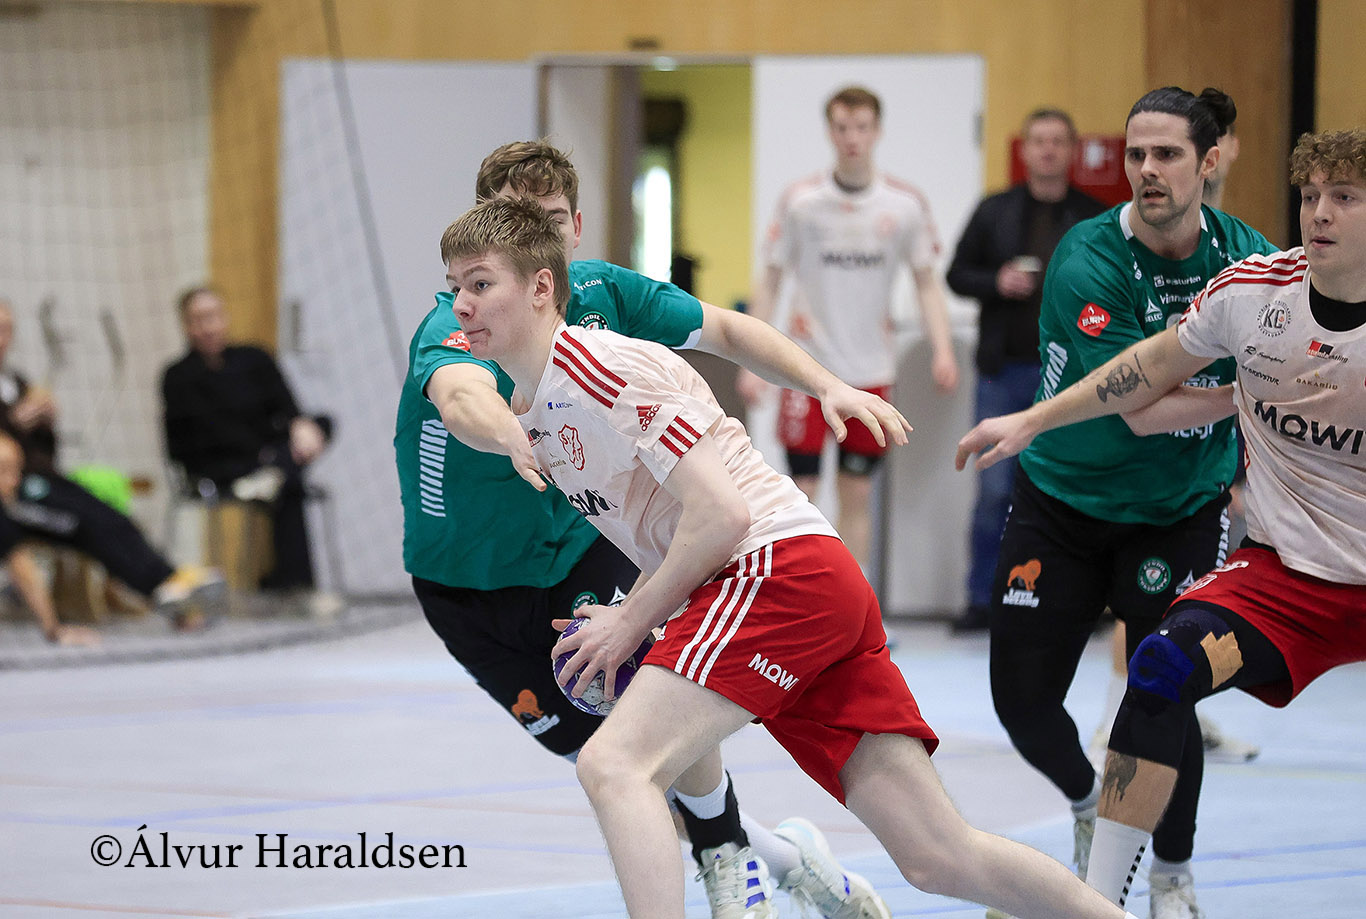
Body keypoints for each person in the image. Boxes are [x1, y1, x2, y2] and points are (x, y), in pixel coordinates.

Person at [443, 194, 1137, 919]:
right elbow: (671, 523)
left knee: (615, 765)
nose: (462, 303)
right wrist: (629, 609)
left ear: (541, 286)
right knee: (939, 856)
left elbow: (723, 514)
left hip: (775, 571)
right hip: (803, 581)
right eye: (455, 286)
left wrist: (630, 622)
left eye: (481, 283)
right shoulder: (534, 407)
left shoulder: (594, 369)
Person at [396, 141, 908, 918]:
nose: (537, 236)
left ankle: (729, 862)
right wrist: (513, 434)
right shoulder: (462, 318)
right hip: (463, 577)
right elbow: (462, 395)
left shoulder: (603, 295)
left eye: (552, 220)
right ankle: (786, 856)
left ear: (572, 231)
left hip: (579, 551)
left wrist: (825, 383)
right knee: (612, 764)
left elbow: (729, 331)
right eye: (515, 220)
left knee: (633, 745)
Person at [957, 127, 1366, 919]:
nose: (1320, 213)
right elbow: (1139, 375)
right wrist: (1034, 419)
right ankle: (1101, 903)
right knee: (1162, 667)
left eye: (1344, 198)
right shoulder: (1253, 294)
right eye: (1311, 195)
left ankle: (1168, 874)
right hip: (1281, 580)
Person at [1089, 90, 1260, 766]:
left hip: (1204, 461)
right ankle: (1115, 719)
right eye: (1142, 154)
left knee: (1185, 606)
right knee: (1149, 602)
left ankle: (1179, 712)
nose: (1151, 166)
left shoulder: (1234, 242)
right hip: (1140, 466)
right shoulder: (1130, 249)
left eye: (1168, 153)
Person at [740, 85, 959, 573]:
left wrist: (943, 349)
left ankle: (854, 604)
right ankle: (804, 600)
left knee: (856, 495)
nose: (852, 138)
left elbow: (926, 282)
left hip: (870, 371)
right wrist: (751, 363)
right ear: (829, 131)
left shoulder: (903, 205)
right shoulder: (801, 201)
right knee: (800, 496)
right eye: (842, 128)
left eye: (861, 127)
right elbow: (771, 280)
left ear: (877, 131)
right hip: (803, 369)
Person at [945, 109, 1106, 632]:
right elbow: (955, 274)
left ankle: (1076, 601)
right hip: (1003, 372)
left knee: (1071, 488)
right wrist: (996, 281)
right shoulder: (994, 210)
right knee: (995, 489)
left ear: (1072, 150)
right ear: (1025, 149)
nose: (1048, 150)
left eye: (1058, 141)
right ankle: (982, 600)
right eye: (1039, 140)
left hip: (1073, 379)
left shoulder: (1096, 217)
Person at [161, 287, 332, 598]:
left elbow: (289, 410)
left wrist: (301, 426)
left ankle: (273, 476)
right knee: (290, 484)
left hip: (269, 458)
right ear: (186, 325)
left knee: (320, 425)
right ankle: (296, 586)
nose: (207, 327)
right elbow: (184, 447)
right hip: (219, 469)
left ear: (225, 319)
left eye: (213, 317)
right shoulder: (177, 377)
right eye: (198, 319)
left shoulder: (255, 359)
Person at [0, 431, 224, 641]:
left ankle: (170, 580)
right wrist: (54, 629)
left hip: (43, 493)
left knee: (109, 520)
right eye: (4, 471)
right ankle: (166, 588)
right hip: (40, 518)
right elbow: (22, 568)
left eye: (16, 471)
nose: (14, 480)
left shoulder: (18, 486)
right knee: (95, 534)